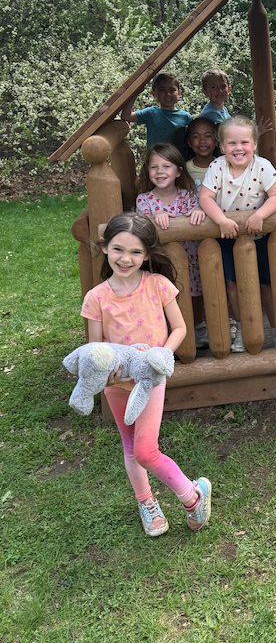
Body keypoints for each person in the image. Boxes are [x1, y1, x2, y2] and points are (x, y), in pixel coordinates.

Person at [81, 212, 211, 537]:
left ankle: (192, 495)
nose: (126, 258)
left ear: (148, 254)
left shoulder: (158, 285)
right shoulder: (96, 298)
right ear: (105, 247)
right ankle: (147, 502)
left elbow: (179, 328)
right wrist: (107, 372)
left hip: (151, 379)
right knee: (130, 449)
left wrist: (162, 354)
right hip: (115, 385)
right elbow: (95, 349)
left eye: (136, 252)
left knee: (145, 450)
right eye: (119, 249)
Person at [199, 116, 276, 353]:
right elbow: (205, 197)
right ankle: (242, 329)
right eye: (231, 143)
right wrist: (221, 221)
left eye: (245, 142)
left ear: (255, 144)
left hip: (258, 237)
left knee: (266, 285)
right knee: (232, 286)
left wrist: (260, 215)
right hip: (226, 237)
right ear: (222, 146)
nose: (238, 148)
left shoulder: (262, 166)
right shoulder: (217, 167)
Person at [135, 143, 208, 347]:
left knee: (195, 291)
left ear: (178, 171)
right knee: (166, 296)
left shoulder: (186, 196)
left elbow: (197, 211)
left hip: (189, 257)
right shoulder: (145, 200)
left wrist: (198, 211)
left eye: (166, 166)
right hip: (161, 261)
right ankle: (167, 333)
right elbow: (141, 221)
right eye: (154, 167)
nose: (160, 172)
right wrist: (154, 215)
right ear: (147, 171)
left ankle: (199, 326)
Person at [120, 73, 193, 148]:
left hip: (178, 159)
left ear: (179, 93)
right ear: (153, 94)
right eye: (161, 90)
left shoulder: (186, 117)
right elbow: (126, 116)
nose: (167, 94)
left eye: (172, 90)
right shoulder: (150, 113)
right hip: (155, 158)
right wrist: (135, 94)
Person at [200, 68, 273, 137]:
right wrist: (257, 132)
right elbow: (228, 138)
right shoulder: (210, 114)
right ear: (205, 92)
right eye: (213, 87)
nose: (219, 90)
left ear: (228, 89)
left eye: (222, 86)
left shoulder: (223, 109)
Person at [183, 117, 221, 195]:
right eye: (196, 136)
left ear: (216, 141)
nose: (202, 141)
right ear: (189, 142)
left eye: (208, 136)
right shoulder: (185, 170)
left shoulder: (223, 166)